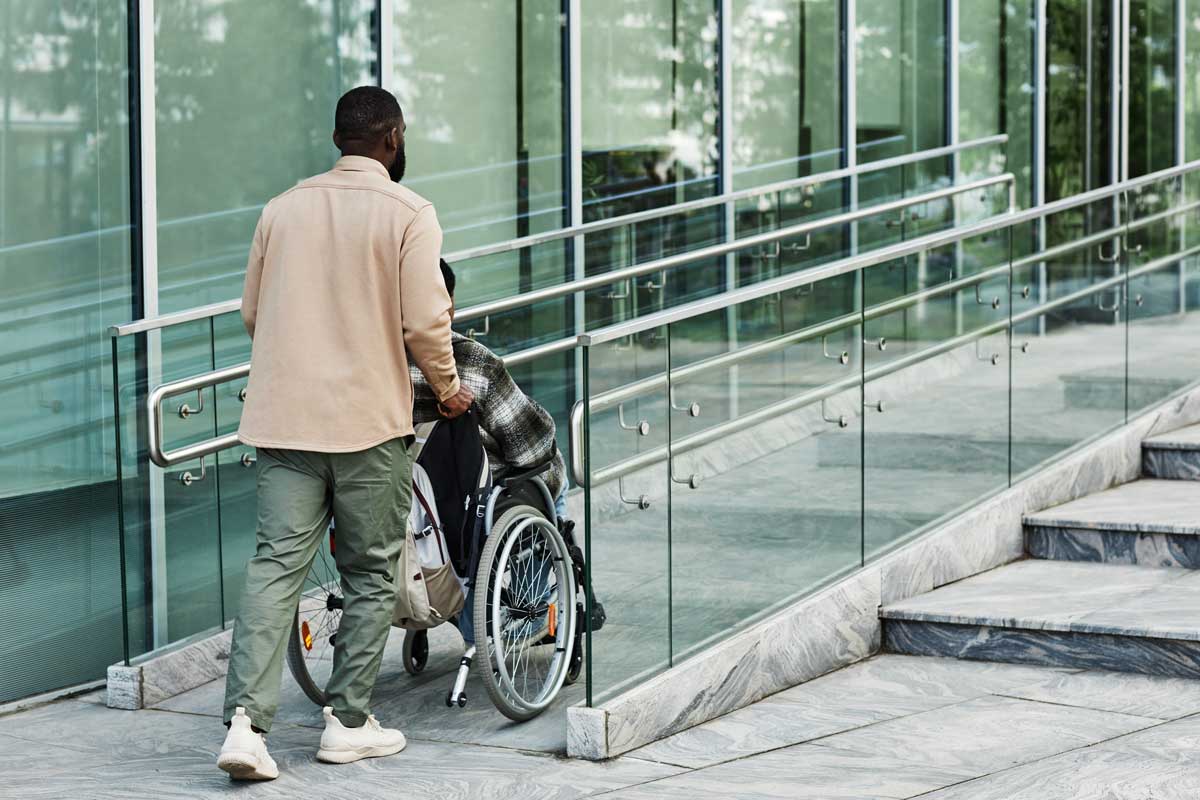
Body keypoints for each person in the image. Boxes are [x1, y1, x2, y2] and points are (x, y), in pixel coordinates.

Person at [217, 86, 473, 781]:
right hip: (366, 424)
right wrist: (448, 392)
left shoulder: (282, 210)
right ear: (390, 139)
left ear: (339, 139)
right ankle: (347, 722)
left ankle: (245, 725)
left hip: (285, 420)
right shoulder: (409, 213)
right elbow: (426, 322)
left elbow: (252, 311)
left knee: (275, 568)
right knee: (368, 570)